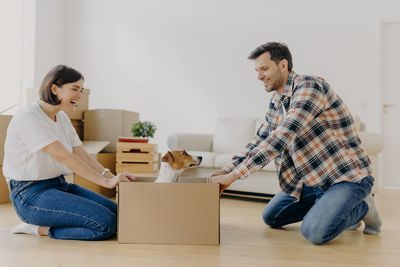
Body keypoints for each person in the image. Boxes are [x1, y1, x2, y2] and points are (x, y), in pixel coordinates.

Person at [208, 42, 382, 245]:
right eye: (257, 71)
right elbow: (260, 140)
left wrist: (234, 176)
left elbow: (283, 135)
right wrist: (226, 171)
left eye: (264, 69)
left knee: (315, 232)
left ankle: (363, 206)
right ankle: (328, 206)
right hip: (311, 181)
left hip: (345, 177)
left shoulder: (310, 87)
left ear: (283, 65)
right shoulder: (276, 101)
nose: (259, 76)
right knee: (271, 218)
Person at [2, 65, 135, 240]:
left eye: (81, 90)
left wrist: (111, 176)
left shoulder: (63, 118)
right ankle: (38, 229)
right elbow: (64, 156)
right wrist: (106, 182)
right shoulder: (29, 117)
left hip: (59, 185)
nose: (80, 96)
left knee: (119, 214)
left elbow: (82, 155)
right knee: (105, 224)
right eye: (75, 89)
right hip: (29, 194)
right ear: (54, 88)